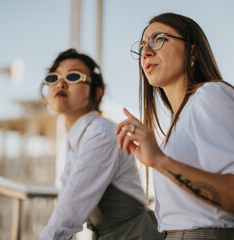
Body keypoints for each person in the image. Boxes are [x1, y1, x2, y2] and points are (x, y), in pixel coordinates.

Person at [116, 13, 234, 240]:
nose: (146, 52)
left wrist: (160, 161)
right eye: (142, 45)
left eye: (158, 39)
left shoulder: (211, 95)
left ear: (192, 51)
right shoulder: (181, 120)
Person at [39, 49, 165, 240]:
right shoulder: (78, 138)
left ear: (97, 91)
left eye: (73, 76)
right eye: (53, 77)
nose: (61, 83)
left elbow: (67, 216)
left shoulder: (101, 134)